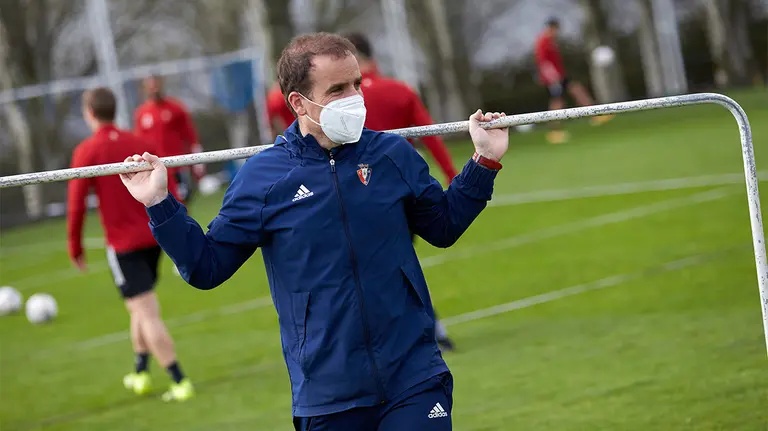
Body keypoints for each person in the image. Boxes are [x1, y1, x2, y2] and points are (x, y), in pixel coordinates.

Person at [120, 33, 508, 430]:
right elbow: (206, 267)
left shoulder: (391, 154)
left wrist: (484, 161)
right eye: (338, 89)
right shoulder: (263, 179)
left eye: (356, 84)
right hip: (327, 395)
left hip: (414, 377)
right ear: (298, 103)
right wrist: (158, 203)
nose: (355, 97)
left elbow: (443, 226)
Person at [66, 87, 194, 402]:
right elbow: (169, 187)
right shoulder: (139, 142)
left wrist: (75, 247)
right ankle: (140, 372)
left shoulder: (87, 150)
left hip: (124, 247)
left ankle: (179, 380)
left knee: (146, 311)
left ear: (89, 114)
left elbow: (76, 204)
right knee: (137, 307)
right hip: (153, 238)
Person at [343, 32, 458, 352]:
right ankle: (431, 330)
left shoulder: (338, 103)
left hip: (356, 196)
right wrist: (452, 176)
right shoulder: (399, 90)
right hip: (403, 191)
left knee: (371, 270)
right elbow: (433, 136)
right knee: (396, 263)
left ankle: (424, 330)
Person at [534, 17, 613, 144]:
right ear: (551, 28)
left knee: (576, 89)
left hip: (560, 75)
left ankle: (594, 115)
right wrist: (553, 78)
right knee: (557, 103)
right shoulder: (543, 42)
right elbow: (543, 63)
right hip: (552, 78)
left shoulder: (551, 41)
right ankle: (555, 131)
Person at [134, 75, 204, 203]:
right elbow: (139, 141)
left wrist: (197, 158)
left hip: (176, 164)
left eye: (156, 85)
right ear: (145, 90)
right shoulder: (141, 113)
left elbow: (190, 134)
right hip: (154, 167)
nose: (154, 89)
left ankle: (184, 223)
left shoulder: (175, 108)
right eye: (150, 87)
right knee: (160, 204)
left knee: (182, 202)